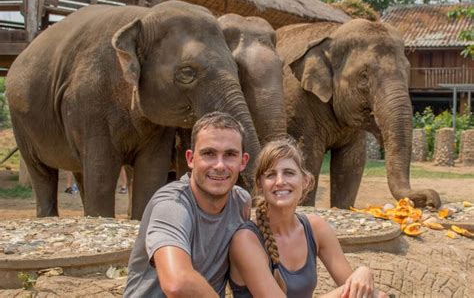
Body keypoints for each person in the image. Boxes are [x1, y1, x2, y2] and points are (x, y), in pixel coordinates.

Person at [229, 138, 388, 298]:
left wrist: (363, 272)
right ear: (260, 184)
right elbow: (347, 290)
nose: (280, 181)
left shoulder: (315, 227)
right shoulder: (246, 240)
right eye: (271, 175)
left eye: (289, 173)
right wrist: (345, 289)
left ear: (305, 181)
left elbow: (355, 290)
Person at [124, 111, 252, 297]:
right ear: (191, 159)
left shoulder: (241, 201)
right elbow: (178, 283)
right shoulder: (172, 205)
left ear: (243, 161)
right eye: (209, 153)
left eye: (230, 155)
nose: (219, 165)